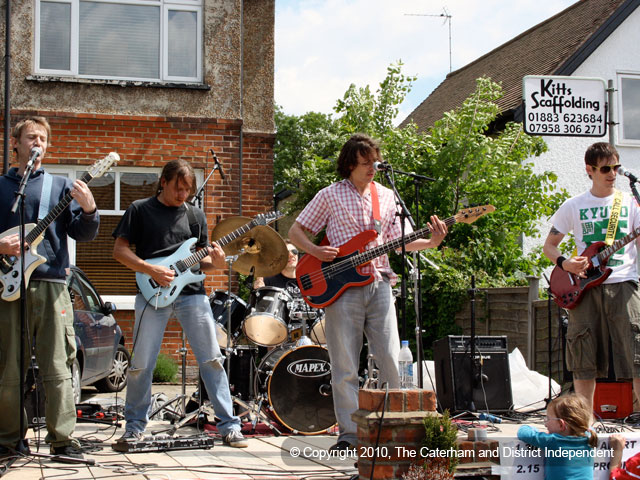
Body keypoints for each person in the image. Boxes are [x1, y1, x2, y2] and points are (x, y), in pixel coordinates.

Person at [288, 133, 447, 451]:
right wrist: (314, 252)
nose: (372, 168)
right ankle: (348, 435)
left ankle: (391, 432)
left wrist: (430, 241)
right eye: (365, 164)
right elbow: (296, 230)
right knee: (345, 363)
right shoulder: (330, 195)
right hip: (340, 287)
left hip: (380, 284)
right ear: (349, 165)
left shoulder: (387, 196)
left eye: (374, 162)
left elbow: (398, 239)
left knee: (390, 358)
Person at [112, 159, 247, 448]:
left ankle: (229, 426)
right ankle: (134, 427)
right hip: (152, 294)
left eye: (187, 189)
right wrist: (151, 270)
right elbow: (119, 251)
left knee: (212, 360)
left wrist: (219, 264)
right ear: (163, 181)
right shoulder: (139, 209)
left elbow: (203, 264)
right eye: (178, 187)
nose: (182, 194)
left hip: (192, 296)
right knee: (140, 364)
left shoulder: (195, 215)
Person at [0, 116, 99, 460]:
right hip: (8, 286)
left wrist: (89, 210)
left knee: (58, 363)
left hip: (53, 284)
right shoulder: (1, 188)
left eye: (42, 138)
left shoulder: (60, 188)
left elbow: (82, 233)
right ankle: (9, 438)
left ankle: (63, 440)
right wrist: (2, 248)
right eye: (31, 137)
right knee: (8, 365)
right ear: (16, 144)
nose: (37, 143)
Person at [543, 142, 640, 414]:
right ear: (590, 170)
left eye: (616, 168)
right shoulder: (573, 205)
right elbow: (549, 247)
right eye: (605, 168)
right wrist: (566, 263)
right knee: (583, 354)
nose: (612, 173)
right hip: (583, 289)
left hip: (623, 283)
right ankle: (584, 423)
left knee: (637, 352)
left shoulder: (631, 203)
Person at [517, 393, 598, 480]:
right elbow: (590, 428)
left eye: (547, 419)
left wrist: (533, 429)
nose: (545, 424)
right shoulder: (589, 437)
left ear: (561, 425)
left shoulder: (553, 441)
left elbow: (523, 433)